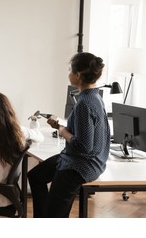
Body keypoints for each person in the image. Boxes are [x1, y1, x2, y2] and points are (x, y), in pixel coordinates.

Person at [28, 52, 110, 218]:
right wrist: (61, 126)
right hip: (80, 158)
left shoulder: (84, 104)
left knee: (55, 214)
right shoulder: (95, 97)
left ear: (78, 75)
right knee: (35, 176)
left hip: (80, 165)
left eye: (70, 70)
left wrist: (62, 131)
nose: (68, 74)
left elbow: (84, 146)